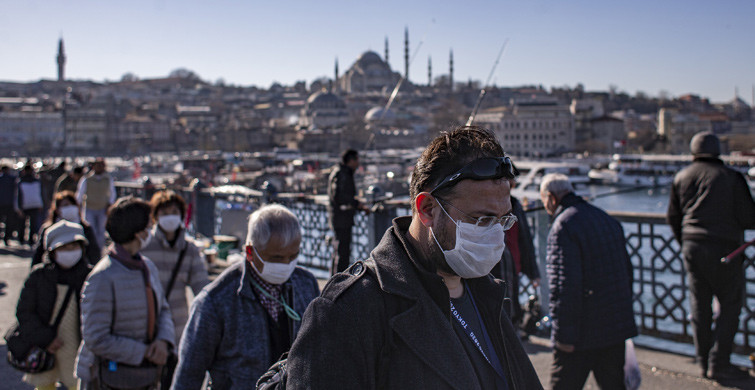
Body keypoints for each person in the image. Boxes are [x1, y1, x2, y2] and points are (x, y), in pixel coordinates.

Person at [278, 127, 542, 389]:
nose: (496, 235)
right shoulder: (349, 313)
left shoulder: (488, 293)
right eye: (481, 219)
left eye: (502, 220)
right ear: (427, 209)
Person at [172, 204, 320, 389]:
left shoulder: (306, 284)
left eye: (293, 256)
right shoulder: (215, 301)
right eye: (276, 258)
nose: (286, 265)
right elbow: (188, 374)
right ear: (250, 252)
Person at [667, 132, 755, 380]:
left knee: (699, 305)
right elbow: (749, 218)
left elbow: (673, 217)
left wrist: (685, 241)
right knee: (730, 305)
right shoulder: (731, 178)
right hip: (725, 249)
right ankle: (719, 361)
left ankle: (703, 361)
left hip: (692, 248)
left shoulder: (681, 177)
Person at [539, 173, 637, 389]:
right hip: (614, 328)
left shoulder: (563, 226)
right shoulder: (605, 218)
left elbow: (564, 285)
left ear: (552, 198)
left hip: (581, 333)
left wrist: (563, 336)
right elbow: (627, 273)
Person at [76, 197, 174, 389]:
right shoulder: (102, 277)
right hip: (111, 377)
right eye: (148, 226)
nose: (151, 231)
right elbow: (96, 337)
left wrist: (163, 341)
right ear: (138, 233)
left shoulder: (147, 267)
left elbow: (162, 309)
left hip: (146, 374)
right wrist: (144, 352)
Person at [140, 190, 209, 388]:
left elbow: (202, 289)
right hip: (147, 329)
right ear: (155, 217)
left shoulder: (189, 249)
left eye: (174, 211)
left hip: (178, 330)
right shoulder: (144, 247)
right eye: (164, 212)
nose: (170, 216)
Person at [16, 220, 92, 390]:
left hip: (78, 349)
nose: (70, 251)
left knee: (78, 385)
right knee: (44, 386)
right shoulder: (38, 276)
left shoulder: (91, 276)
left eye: (74, 246)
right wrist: (46, 339)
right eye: (64, 247)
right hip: (45, 347)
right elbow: (24, 312)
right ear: (51, 251)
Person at [491, 175, 539, 332]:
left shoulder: (516, 205)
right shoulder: (491, 204)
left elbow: (524, 239)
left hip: (511, 265)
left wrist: (533, 272)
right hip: (495, 266)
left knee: (510, 307)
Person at [327, 149, 370, 275]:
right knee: (342, 252)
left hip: (339, 218)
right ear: (351, 160)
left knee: (339, 251)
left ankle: (335, 279)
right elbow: (341, 197)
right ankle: (339, 283)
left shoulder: (339, 172)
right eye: (357, 160)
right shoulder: (343, 174)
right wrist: (357, 204)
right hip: (342, 219)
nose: (358, 163)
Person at [31, 191, 100, 267]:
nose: (70, 207)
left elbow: (94, 253)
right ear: (57, 210)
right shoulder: (48, 229)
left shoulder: (85, 228)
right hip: (54, 271)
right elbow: (38, 254)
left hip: (80, 271)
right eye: (66, 205)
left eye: (73, 205)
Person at [76, 158, 116, 248]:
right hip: (90, 208)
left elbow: (112, 193)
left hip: (103, 208)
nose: (99, 168)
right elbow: (80, 194)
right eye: (97, 166)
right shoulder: (87, 179)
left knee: (101, 231)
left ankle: (100, 249)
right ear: (93, 167)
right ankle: (92, 249)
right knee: (91, 230)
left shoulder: (108, 179)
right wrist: (78, 207)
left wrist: (109, 205)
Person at [17, 163, 44, 246]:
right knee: (33, 223)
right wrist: (41, 204)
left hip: (24, 205)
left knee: (22, 223)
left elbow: (19, 196)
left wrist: (19, 207)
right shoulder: (37, 181)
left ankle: (21, 239)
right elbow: (41, 193)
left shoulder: (21, 181)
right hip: (35, 204)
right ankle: (31, 240)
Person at [1, 165, 18, 246]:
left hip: (1, 203)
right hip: (10, 203)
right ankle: (6, 238)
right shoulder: (12, 179)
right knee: (9, 222)